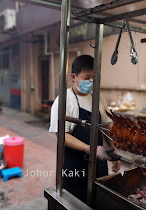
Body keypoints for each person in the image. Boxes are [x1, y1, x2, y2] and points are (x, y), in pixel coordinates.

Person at [49, 55, 121, 204]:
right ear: (73, 77)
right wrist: (90, 149)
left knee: (98, 200)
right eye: (87, 77)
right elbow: (62, 135)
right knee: (76, 204)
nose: (91, 82)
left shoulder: (98, 97)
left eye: (94, 77)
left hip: (98, 166)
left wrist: (113, 149)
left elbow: (106, 125)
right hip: (75, 167)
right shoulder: (64, 100)